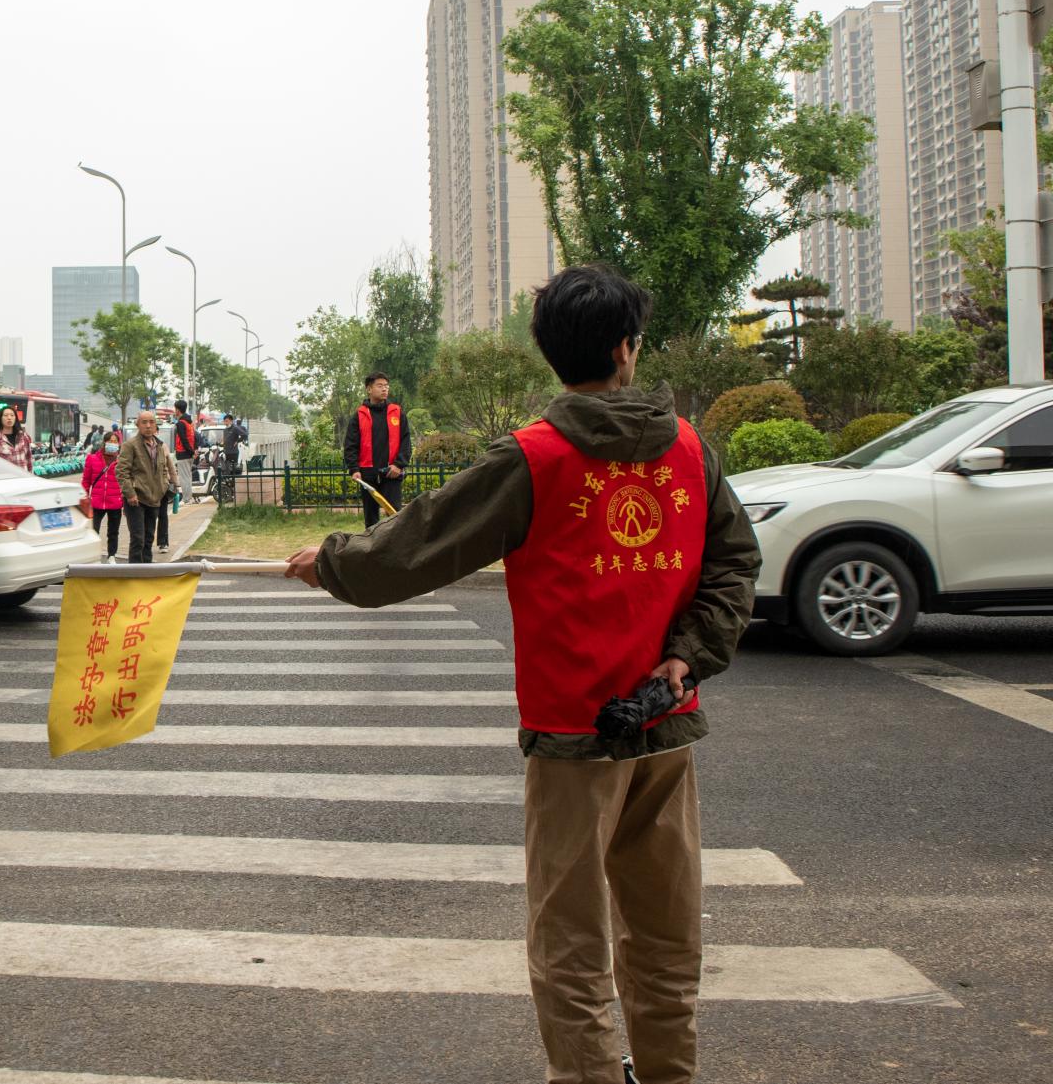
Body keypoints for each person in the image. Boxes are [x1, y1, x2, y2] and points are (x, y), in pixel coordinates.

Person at [284, 265, 759, 1084]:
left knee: (570, 945)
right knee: (666, 935)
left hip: (574, 739)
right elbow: (736, 562)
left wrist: (330, 563)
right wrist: (687, 657)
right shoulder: (690, 449)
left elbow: (421, 542)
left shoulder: (534, 458)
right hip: (665, 726)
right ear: (627, 348)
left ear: (552, 355)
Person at [344, 372, 413, 529]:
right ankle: (372, 544)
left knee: (395, 517)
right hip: (367, 475)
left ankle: (396, 544)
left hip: (391, 473)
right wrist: (354, 469)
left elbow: (406, 441)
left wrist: (399, 465)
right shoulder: (359, 415)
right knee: (371, 520)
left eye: (386, 386)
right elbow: (350, 445)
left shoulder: (397, 413)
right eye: (380, 386)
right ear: (369, 389)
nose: (384, 389)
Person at [116, 410, 175, 563]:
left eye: (151, 422)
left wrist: (165, 487)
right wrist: (130, 493)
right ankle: (135, 572)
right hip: (136, 499)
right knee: (138, 539)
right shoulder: (130, 445)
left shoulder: (159, 446)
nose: (148, 426)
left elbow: (163, 469)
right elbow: (121, 472)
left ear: (155, 425)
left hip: (154, 499)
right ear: (138, 425)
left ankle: (147, 570)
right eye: (144, 422)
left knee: (149, 539)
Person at [81, 427, 125, 562]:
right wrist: (84, 498)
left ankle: (112, 556)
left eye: (115, 442)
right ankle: (93, 556)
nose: (113, 444)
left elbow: (126, 481)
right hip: (96, 502)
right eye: (110, 441)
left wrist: (124, 500)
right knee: (93, 531)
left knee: (113, 532)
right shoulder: (92, 459)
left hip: (115, 502)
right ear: (104, 443)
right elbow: (86, 481)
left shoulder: (121, 461)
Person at [0, 404, 32, 472]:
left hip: (23, 477)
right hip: (5, 477)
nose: (9, 418)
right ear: (0, 418)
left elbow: (29, 459)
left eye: (12, 415)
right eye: (6, 415)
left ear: (15, 418)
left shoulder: (23, 436)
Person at [170, 401, 198, 506]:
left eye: (175, 409)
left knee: (184, 478)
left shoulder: (180, 423)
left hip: (183, 454)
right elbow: (194, 437)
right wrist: (193, 451)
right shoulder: (189, 422)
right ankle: (189, 498)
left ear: (178, 410)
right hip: (189, 454)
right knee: (188, 477)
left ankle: (187, 499)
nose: (174, 411)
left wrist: (191, 451)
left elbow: (183, 439)